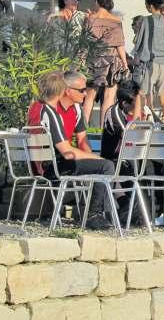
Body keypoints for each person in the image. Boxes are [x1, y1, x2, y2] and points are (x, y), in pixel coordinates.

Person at [29, 70, 115, 230]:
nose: (86, 93)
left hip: (41, 164)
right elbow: (66, 151)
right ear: (64, 90)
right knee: (106, 166)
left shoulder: (36, 108)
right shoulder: (51, 113)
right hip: (52, 167)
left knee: (102, 165)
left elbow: (81, 141)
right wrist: (97, 159)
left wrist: (90, 157)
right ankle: (93, 215)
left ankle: (99, 213)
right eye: (82, 90)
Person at [83, 0, 129, 127]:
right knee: (109, 98)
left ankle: (83, 129)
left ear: (97, 2)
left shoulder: (90, 19)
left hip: (93, 60)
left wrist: (81, 60)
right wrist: (125, 64)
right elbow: (120, 44)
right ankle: (104, 129)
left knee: (89, 97)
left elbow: (84, 43)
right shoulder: (116, 21)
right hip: (111, 60)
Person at [132, 0, 164, 124]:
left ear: (150, 6)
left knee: (142, 95)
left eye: (146, 5)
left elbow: (139, 42)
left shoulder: (146, 20)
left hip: (150, 63)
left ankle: (140, 123)